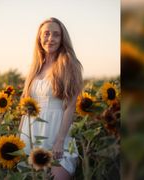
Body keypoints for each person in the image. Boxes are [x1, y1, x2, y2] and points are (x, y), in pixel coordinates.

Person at [19, 17, 83, 180]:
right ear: (39, 38)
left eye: (56, 35)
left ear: (62, 39)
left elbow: (70, 106)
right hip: (31, 135)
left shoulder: (70, 65)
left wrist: (60, 141)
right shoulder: (34, 69)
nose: (50, 38)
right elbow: (26, 108)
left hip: (57, 134)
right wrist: (18, 137)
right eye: (46, 34)